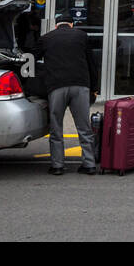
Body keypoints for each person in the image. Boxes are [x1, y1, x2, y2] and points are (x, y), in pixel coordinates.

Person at [39, 12, 99, 175]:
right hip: (80, 86)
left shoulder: (46, 38)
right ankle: (89, 164)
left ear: (56, 25)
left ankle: (57, 166)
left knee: (56, 127)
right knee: (83, 127)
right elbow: (92, 63)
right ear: (72, 24)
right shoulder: (82, 36)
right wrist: (95, 88)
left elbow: (33, 58)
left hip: (56, 87)